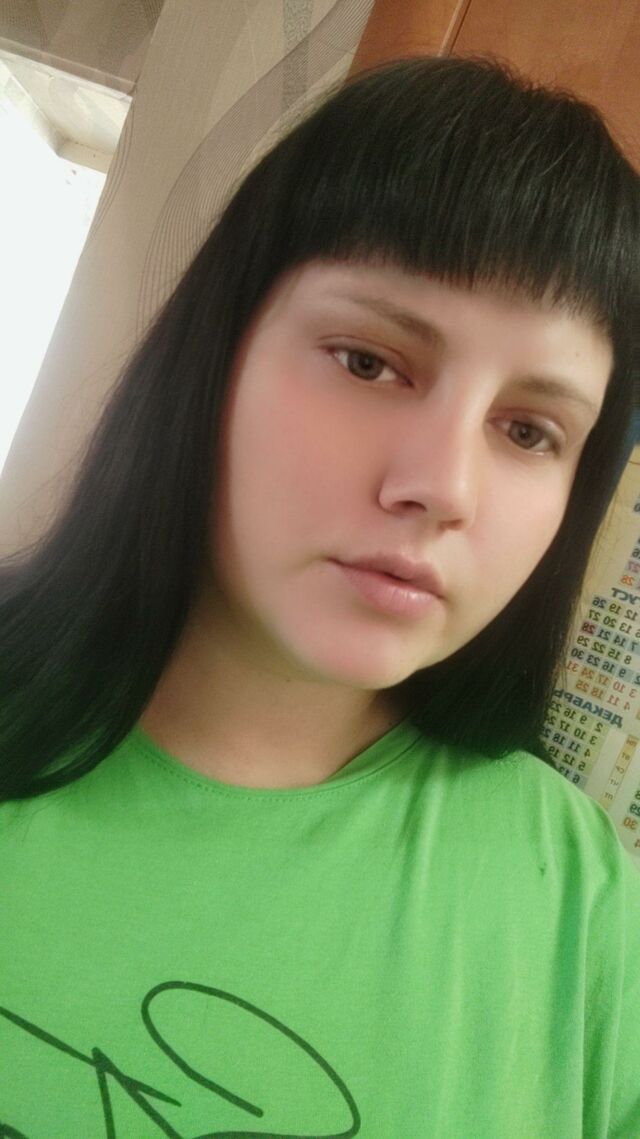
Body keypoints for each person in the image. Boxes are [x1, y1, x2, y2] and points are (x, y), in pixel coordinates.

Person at [0, 54, 639, 1137]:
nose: (441, 486)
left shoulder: (584, 913)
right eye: (369, 362)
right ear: (218, 353)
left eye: (530, 430)